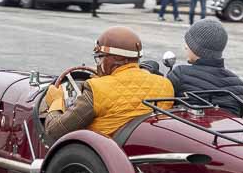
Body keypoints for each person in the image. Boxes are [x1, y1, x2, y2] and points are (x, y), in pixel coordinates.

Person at [44, 26, 175, 143]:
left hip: (99, 157)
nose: (99, 63)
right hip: (142, 149)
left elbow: (55, 131)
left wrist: (56, 101)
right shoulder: (165, 85)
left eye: (101, 57)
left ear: (114, 59)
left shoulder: (97, 88)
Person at [167, 18, 243, 117]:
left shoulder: (180, 74)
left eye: (188, 43)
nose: (186, 47)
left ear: (196, 48)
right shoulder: (238, 85)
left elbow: (163, 109)